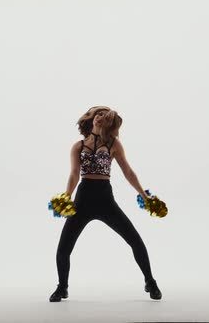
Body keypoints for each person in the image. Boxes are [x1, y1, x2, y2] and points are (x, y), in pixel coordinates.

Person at [49, 106, 162, 302]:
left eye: (105, 116)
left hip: (105, 199)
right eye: (98, 114)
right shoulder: (78, 146)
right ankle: (62, 287)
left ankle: (150, 282)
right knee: (64, 247)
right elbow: (75, 174)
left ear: (109, 123)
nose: (100, 117)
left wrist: (144, 195)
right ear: (92, 118)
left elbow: (128, 171)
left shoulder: (114, 144)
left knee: (135, 240)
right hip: (83, 199)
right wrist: (66, 197)